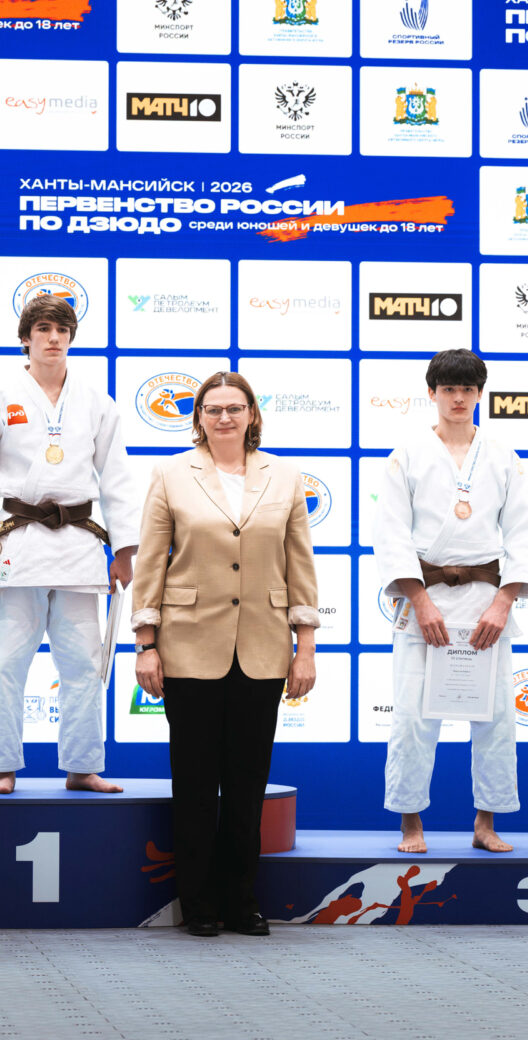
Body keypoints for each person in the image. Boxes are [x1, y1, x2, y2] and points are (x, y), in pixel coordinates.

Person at [131, 371, 318, 937]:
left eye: (235, 408)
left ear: (252, 414)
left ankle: (241, 902)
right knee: (193, 784)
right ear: (199, 418)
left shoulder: (284, 476)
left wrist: (305, 646)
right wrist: (145, 643)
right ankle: (198, 904)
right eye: (213, 409)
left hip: (263, 649)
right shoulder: (170, 474)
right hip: (187, 646)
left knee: (246, 785)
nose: (224, 418)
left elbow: (300, 564)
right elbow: (151, 561)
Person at [0, 293, 140, 795]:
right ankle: (3, 766)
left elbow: (117, 478)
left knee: (83, 664)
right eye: (43, 330)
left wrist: (125, 551)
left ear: (71, 338)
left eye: (62, 330)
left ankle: (82, 765)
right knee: (7, 663)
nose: (53, 338)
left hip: (78, 546)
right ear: (26, 339)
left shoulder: (97, 402)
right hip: (16, 544)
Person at [373, 349, 528, 854]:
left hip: (486, 601)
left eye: (468, 389)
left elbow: (524, 534)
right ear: (432, 393)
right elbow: (391, 533)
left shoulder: (503, 456)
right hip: (424, 600)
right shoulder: (406, 454)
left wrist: (504, 601)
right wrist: (420, 600)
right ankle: (411, 825)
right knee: (412, 718)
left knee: (495, 718)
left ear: (480, 394)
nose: (459, 398)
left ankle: (485, 823)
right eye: (449, 389)